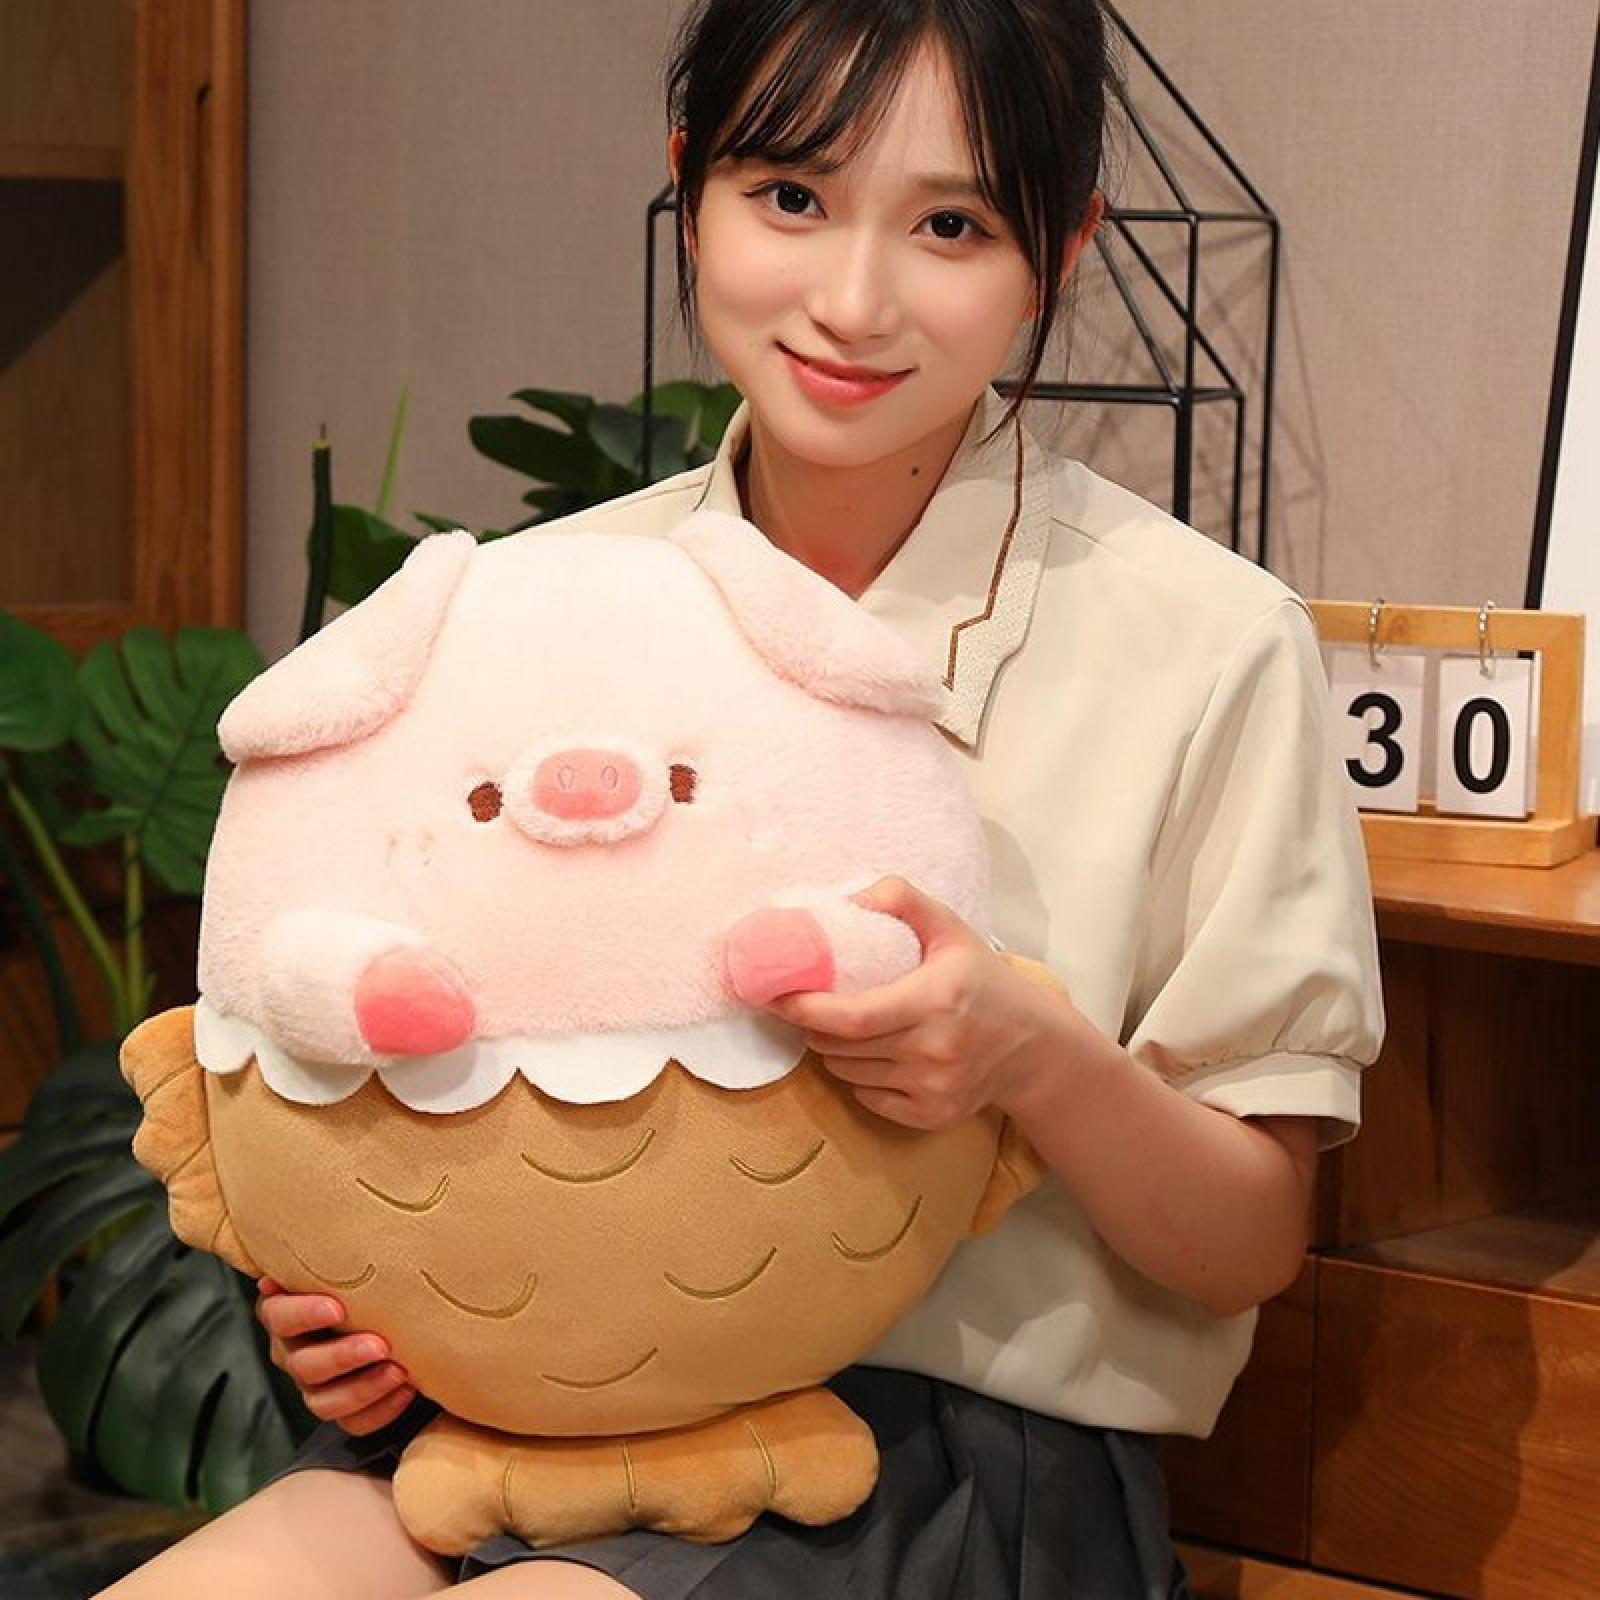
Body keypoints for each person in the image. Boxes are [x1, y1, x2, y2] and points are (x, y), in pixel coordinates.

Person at [97, 0, 1385, 1595]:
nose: (853, 299)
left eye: (952, 225)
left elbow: (1251, 1242)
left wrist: (1028, 1055)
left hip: (954, 1464)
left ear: (1059, 251)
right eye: (791, 196)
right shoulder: (529, 602)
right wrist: (353, 1295)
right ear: (691, 187)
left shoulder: (1210, 643)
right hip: (519, 1413)